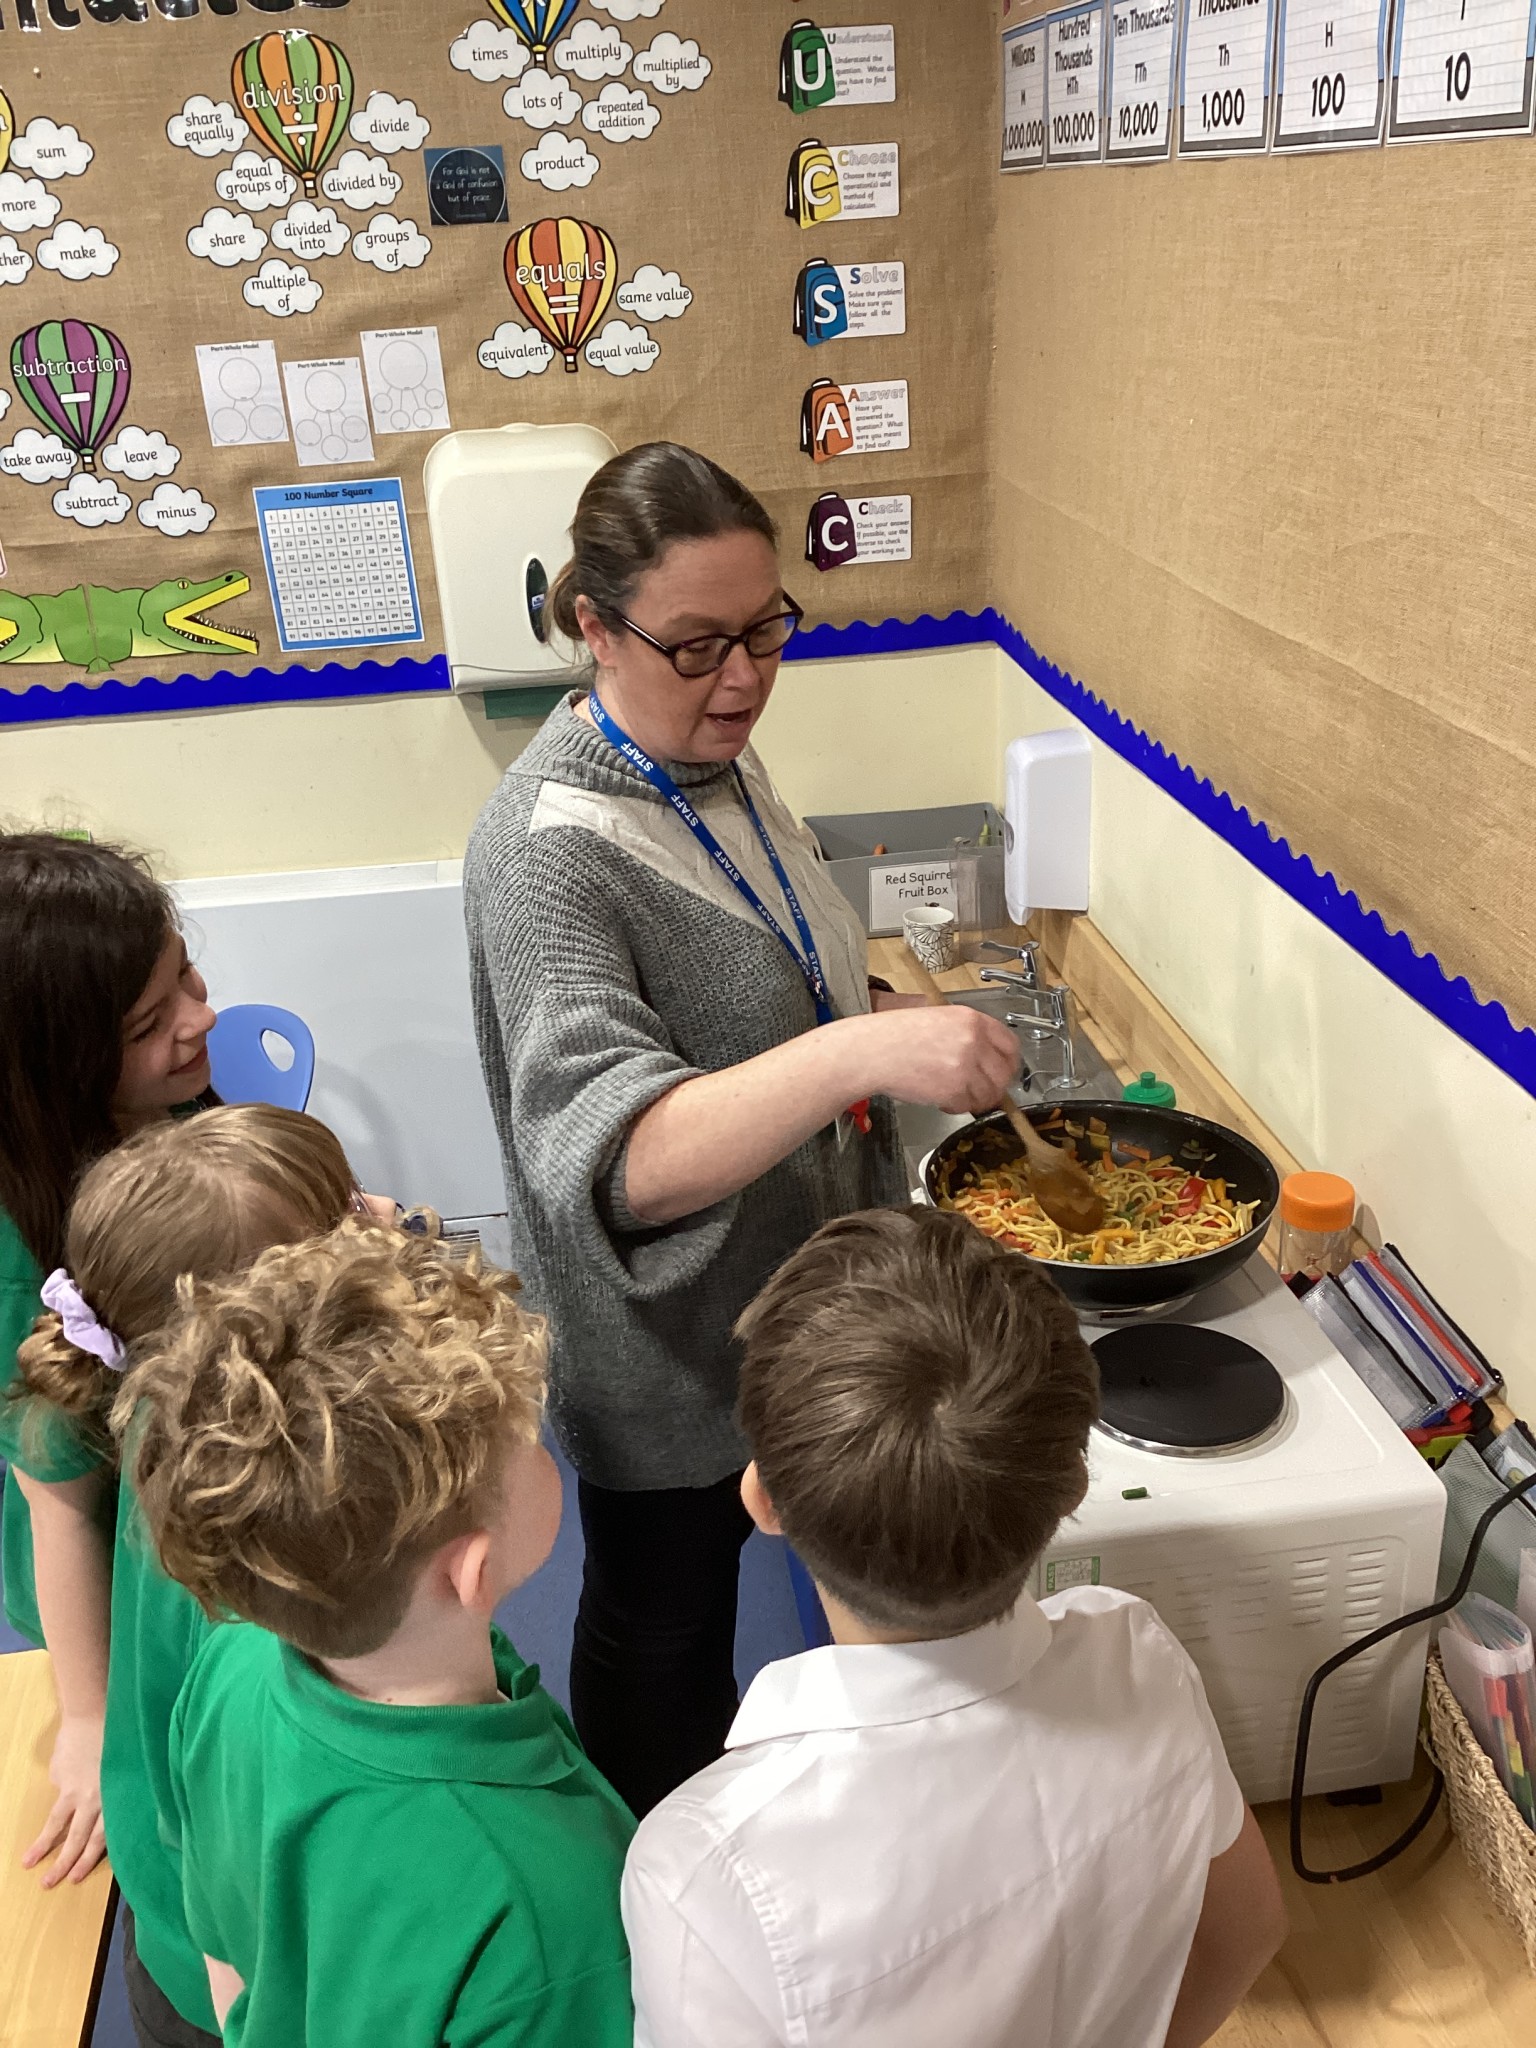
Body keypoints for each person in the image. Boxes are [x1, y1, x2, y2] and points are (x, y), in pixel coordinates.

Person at [464, 441, 1019, 1815]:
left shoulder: (717, 760)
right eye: (698, 644)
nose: (745, 677)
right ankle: (660, 1863)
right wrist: (864, 1044)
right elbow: (625, 1161)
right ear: (592, 629)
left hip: (791, 1306)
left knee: (780, 1593)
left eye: (767, 630)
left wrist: (870, 1001)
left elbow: (766, 964)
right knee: (662, 1627)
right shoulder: (545, 846)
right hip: (665, 1354)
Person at [622, 1207, 1288, 2048]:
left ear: (763, 1502)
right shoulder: (1139, 1655)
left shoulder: (701, 1868)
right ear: (1073, 1486)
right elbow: (1249, 1931)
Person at [133, 1222, 636, 2048]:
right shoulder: (545, 1905)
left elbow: (224, 1948)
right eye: (531, 1443)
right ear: (471, 1571)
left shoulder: (230, 1661)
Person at [11, 1106, 359, 2048]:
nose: (381, 1226)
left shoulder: (168, 1429)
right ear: (264, 1337)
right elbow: (246, 1854)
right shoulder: (265, 1566)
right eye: (349, 1230)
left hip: (166, 1919)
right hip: (247, 1985)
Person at [0, 832, 217, 1888]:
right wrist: (88, 1714)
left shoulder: (172, 1118)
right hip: (113, 1572)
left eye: (187, 973)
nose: (201, 1017)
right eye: (151, 1021)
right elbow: (57, 1503)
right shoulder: (27, 1243)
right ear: (61, 1064)